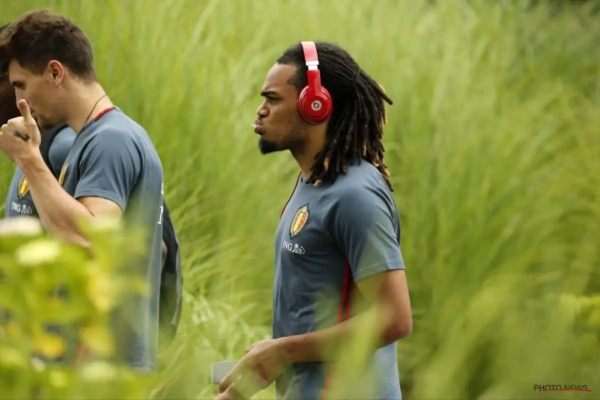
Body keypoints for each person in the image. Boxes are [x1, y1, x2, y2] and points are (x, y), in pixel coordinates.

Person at [216, 41, 413, 400]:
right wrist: (260, 368)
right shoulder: (313, 182)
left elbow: (394, 317)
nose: (260, 110)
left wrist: (282, 351)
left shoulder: (355, 196)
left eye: (273, 99)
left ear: (315, 105)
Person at [0, 9, 164, 372]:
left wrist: (29, 159)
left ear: (55, 73)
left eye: (21, 85)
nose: (19, 99)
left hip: (103, 371)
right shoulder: (97, 137)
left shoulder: (112, 140)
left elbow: (91, 239)